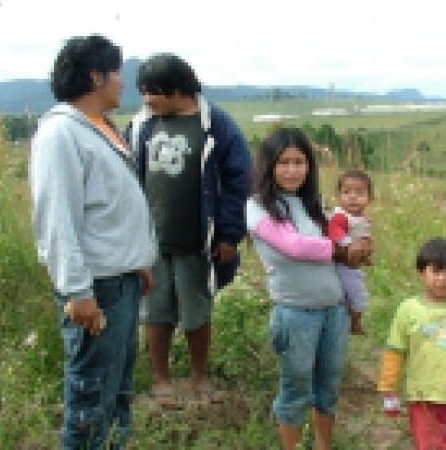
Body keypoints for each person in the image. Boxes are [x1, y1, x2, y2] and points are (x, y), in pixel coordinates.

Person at [29, 35, 156, 449]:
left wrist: (138, 261)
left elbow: (110, 207)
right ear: (95, 76)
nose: (123, 81)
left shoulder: (102, 128)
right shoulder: (61, 133)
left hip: (122, 280)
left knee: (116, 390)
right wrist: (77, 290)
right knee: (91, 396)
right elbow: (57, 218)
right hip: (97, 286)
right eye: (116, 72)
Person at [124, 53, 251, 408]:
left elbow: (237, 180)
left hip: (199, 240)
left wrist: (228, 233)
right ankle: (161, 380)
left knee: (197, 310)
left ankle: (199, 378)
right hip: (152, 241)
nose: (147, 99)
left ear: (178, 88)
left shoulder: (216, 125)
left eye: (153, 92)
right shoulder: (141, 125)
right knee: (156, 309)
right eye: (143, 92)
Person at [246, 127, 369, 450]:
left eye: (299, 162)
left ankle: (323, 446)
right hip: (295, 314)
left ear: (309, 166)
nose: (291, 170)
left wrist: (359, 247)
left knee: (328, 387)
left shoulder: (314, 203)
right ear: (269, 165)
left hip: (334, 311)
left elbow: (339, 236)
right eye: (283, 162)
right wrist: (343, 251)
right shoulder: (257, 206)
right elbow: (295, 247)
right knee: (295, 390)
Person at [377, 238, 446, 450]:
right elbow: (395, 352)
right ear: (421, 273)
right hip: (422, 399)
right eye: (435, 271)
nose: (442, 279)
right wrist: (389, 389)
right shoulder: (408, 310)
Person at [327, 169, 373, 335]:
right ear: (339, 196)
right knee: (358, 297)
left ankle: (351, 321)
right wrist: (348, 244)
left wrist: (367, 252)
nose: (352, 197)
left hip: (353, 266)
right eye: (346, 192)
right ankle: (354, 323)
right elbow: (334, 230)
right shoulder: (341, 216)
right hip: (343, 266)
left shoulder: (362, 218)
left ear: (369, 198)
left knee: (355, 294)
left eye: (359, 193)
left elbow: (365, 238)